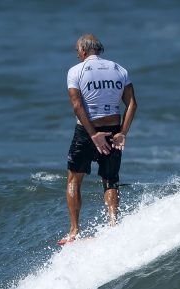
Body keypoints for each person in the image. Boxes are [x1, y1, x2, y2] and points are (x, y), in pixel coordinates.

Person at [59, 34, 137, 245]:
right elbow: (132, 104)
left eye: (77, 51)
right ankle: (113, 224)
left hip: (87, 132)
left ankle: (74, 231)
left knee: (74, 179)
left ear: (84, 51)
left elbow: (77, 106)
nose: (77, 54)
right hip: (113, 130)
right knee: (110, 179)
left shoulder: (76, 71)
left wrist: (93, 135)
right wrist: (122, 133)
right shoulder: (119, 69)